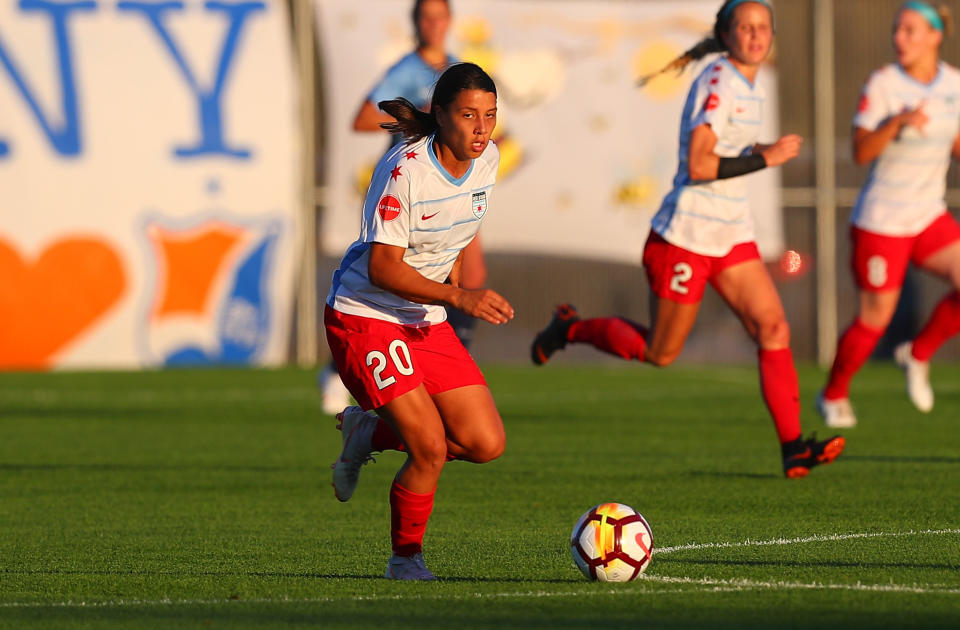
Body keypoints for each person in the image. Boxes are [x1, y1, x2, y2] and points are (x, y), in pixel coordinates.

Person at [530, 0, 844, 478]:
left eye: (763, 27)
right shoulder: (719, 81)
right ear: (725, 33)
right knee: (661, 353)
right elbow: (700, 165)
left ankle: (793, 447)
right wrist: (768, 157)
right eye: (745, 27)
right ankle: (568, 329)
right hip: (687, 236)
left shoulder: (748, 83)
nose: (756, 36)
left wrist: (759, 151)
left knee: (773, 329)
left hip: (730, 232)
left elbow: (727, 150)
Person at [325, 62, 512, 580]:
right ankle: (404, 559)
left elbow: (459, 226)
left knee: (485, 443)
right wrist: (460, 296)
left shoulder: (489, 159)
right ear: (440, 114)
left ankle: (367, 432)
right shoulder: (404, 169)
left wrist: (457, 276)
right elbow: (383, 268)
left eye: (490, 116)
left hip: (422, 316)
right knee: (429, 446)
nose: (481, 128)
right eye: (469, 115)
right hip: (365, 316)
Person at [320, 0, 486, 413]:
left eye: (440, 16)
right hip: (410, 193)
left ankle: (441, 369)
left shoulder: (458, 72)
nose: (433, 24)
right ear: (415, 23)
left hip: (453, 185)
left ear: (450, 22)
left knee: (472, 276)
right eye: (425, 17)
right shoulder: (406, 70)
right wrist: (421, 118)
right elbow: (361, 118)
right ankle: (342, 365)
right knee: (393, 279)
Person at [818, 2, 960, 428]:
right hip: (881, 222)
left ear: (935, 36)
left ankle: (916, 355)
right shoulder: (883, 84)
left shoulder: (954, 83)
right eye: (898, 29)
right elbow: (860, 152)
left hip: (927, 215)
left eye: (910, 30)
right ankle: (833, 394)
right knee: (875, 318)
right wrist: (896, 122)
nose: (900, 38)